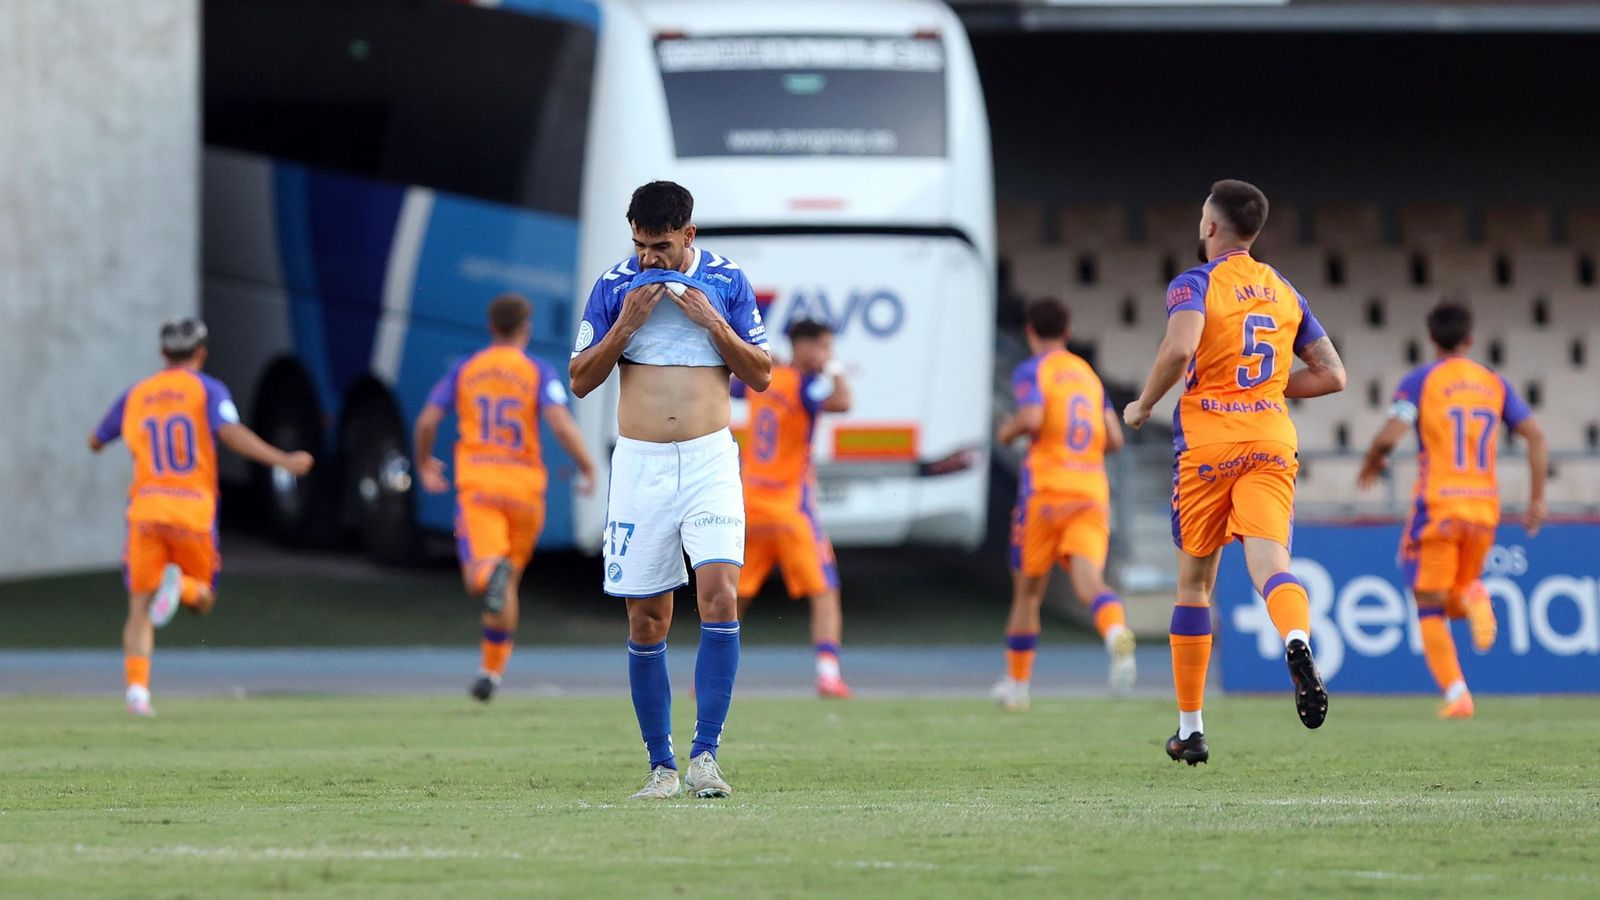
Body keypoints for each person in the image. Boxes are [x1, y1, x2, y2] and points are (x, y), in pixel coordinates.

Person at [1123, 180, 1347, 765]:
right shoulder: (1283, 290)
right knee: (1273, 565)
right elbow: (1333, 374)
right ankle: (1296, 641)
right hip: (1272, 439)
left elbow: (1179, 349)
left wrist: (1144, 404)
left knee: (1194, 585)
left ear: (1211, 227)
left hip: (1209, 443)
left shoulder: (1194, 284)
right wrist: (1271, 387)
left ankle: (1191, 730)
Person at [568, 181, 772, 800]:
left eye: (659, 246)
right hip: (641, 466)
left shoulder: (728, 281)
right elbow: (579, 380)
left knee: (719, 592)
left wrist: (714, 323)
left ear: (689, 235)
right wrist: (623, 328)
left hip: (709, 460)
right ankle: (660, 768)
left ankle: (705, 756)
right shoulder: (613, 286)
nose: (647, 258)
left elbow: (761, 374)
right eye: (638, 244)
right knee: (648, 616)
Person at [89, 317, 314, 716]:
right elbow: (229, 432)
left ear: (162, 354)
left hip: (146, 510)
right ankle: (183, 589)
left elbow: (96, 439)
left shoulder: (137, 394)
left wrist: (112, 441)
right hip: (192, 510)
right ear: (201, 353)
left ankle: (137, 694)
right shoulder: (207, 389)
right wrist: (281, 459)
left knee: (138, 607)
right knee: (203, 599)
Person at [1356, 300, 1546, 718]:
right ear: (1470, 339)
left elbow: (1391, 433)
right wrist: (1536, 500)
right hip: (1484, 511)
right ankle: (1475, 596)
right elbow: (1535, 436)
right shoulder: (1494, 383)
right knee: (1451, 594)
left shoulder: (1422, 380)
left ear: (1430, 338)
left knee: (1427, 602)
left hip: (1439, 507)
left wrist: (1372, 461)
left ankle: (1457, 693)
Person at [414, 294, 597, 704]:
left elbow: (427, 419)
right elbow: (560, 423)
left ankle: (488, 575)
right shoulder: (537, 370)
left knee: (480, 577)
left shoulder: (467, 368)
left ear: (491, 326)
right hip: (527, 490)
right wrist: (587, 466)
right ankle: (491, 673)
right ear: (525, 329)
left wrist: (425, 462)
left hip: (480, 485)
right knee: (508, 581)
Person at [992, 298, 1134, 711]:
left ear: (1030, 333)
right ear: (1068, 333)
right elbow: (1116, 440)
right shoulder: (1089, 376)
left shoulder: (1033, 370)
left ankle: (1017, 687)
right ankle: (1114, 634)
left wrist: (1006, 431)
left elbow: (1033, 419)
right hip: (1090, 491)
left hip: (1046, 492)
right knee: (1090, 580)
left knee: (1028, 594)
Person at [733, 319, 853, 698]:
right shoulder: (804, 383)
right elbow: (843, 401)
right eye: (822, 346)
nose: (825, 354)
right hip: (789, 509)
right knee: (825, 591)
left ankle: (708, 674)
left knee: (734, 597)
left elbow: (734, 385)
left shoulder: (766, 377)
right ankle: (828, 674)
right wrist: (835, 369)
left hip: (750, 504)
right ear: (804, 347)